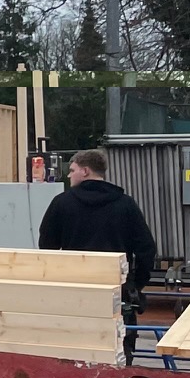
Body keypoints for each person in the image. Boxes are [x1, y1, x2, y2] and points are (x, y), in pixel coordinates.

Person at [37, 148, 158, 354]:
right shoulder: (125, 204)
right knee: (119, 351)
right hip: (116, 294)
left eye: (72, 170)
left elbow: (47, 249)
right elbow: (146, 249)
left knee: (74, 351)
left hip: (75, 293)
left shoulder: (61, 203)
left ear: (85, 171)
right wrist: (134, 284)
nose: (69, 175)